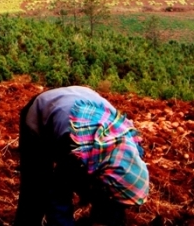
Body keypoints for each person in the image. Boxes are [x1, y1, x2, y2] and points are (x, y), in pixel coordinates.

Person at [14, 86, 149, 226]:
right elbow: (59, 195)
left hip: (85, 98)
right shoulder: (75, 155)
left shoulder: (132, 154)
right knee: (37, 189)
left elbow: (115, 202)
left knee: (110, 200)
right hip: (45, 110)